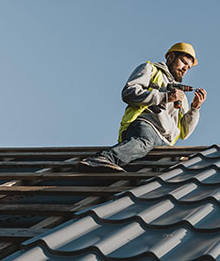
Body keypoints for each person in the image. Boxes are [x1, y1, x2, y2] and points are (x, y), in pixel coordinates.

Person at [79, 42, 207, 172]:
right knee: (145, 142)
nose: (185, 68)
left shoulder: (182, 97)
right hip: (147, 127)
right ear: (171, 57)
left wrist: (195, 109)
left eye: (189, 67)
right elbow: (129, 93)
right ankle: (104, 159)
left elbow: (184, 132)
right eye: (184, 62)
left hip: (165, 143)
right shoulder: (150, 70)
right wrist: (165, 97)